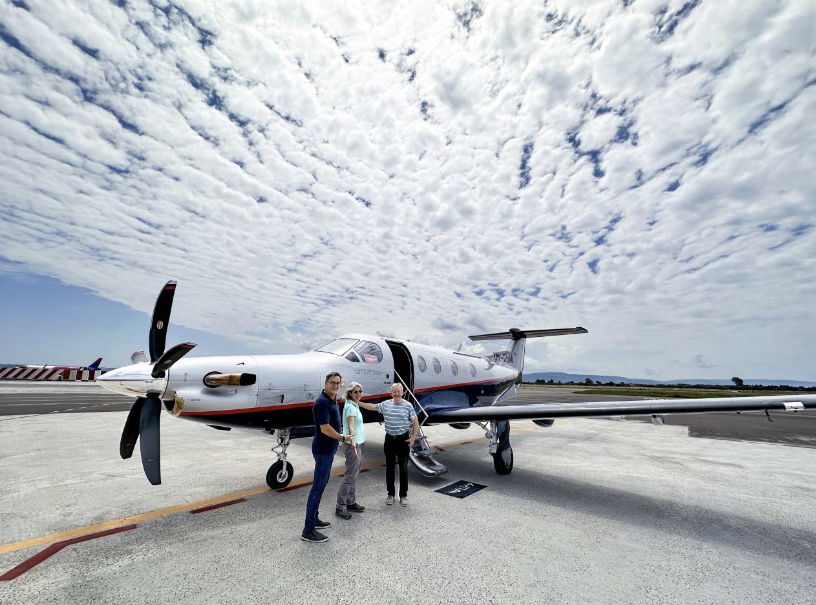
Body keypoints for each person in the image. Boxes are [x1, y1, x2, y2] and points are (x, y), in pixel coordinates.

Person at [302, 372, 352, 543]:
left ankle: (314, 519)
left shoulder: (331, 399)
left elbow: (339, 385)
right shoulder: (322, 402)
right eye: (332, 383)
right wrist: (342, 437)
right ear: (325, 383)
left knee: (321, 487)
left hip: (328, 449)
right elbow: (325, 428)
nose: (335, 385)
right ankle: (308, 530)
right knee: (317, 488)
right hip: (323, 449)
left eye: (338, 383)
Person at [359, 383, 418, 506]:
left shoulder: (408, 406)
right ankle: (390, 494)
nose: (396, 393)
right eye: (394, 391)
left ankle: (403, 496)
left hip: (403, 440)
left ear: (402, 393)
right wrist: (358, 402)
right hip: (390, 440)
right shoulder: (386, 404)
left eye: (398, 391)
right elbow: (373, 407)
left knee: (404, 469)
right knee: (390, 468)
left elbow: (415, 421)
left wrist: (413, 438)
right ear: (391, 393)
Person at [335, 381, 366, 519]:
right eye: (355, 392)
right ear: (350, 393)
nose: (358, 394)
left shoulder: (353, 404)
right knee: (349, 476)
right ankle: (340, 506)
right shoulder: (351, 407)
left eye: (360, 392)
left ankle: (350, 501)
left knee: (354, 474)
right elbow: (351, 426)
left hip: (359, 442)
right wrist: (352, 441)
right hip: (353, 443)